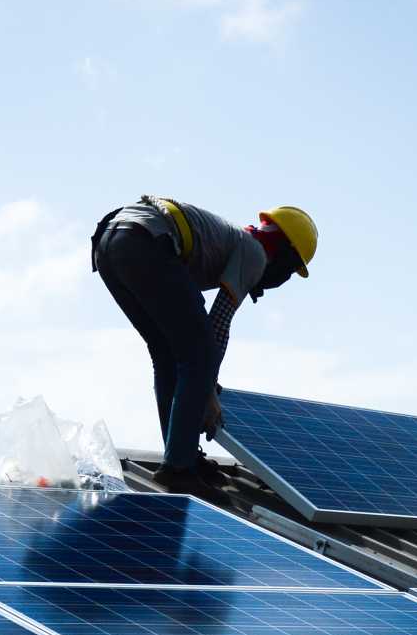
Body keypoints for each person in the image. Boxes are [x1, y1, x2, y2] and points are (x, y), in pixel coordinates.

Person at [90, 196, 317, 493]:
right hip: (144, 240)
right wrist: (208, 387)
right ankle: (179, 467)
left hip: (111, 243)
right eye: (289, 270)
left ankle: (181, 458)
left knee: (168, 353)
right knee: (199, 355)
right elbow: (218, 324)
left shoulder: (230, 242)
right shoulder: (255, 253)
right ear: (284, 254)